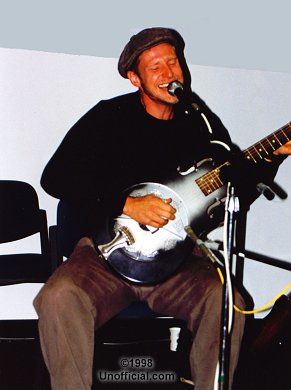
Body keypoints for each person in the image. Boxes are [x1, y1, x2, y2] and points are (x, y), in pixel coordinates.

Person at [34, 27, 290, 390]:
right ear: (134, 77)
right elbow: (55, 177)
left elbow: (232, 190)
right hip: (106, 256)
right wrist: (127, 204)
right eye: (155, 67)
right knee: (58, 296)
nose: (169, 73)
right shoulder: (108, 118)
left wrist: (273, 159)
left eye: (173, 62)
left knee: (226, 300)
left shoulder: (199, 123)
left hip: (177, 262)